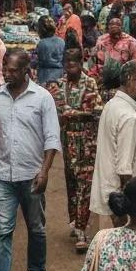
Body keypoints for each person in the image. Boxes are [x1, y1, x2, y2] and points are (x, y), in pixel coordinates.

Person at [0, 49, 61, 271]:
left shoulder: (42, 98)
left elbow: (51, 139)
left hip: (31, 174)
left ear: (27, 70)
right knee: (3, 231)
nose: (7, 73)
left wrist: (45, 171)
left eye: (13, 70)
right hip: (2, 175)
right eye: (6, 68)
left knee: (36, 228)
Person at [50, 48, 103, 253]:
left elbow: (96, 110)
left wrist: (73, 114)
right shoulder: (60, 85)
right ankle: (74, 221)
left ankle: (82, 229)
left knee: (85, 184)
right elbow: (57, 108)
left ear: (81, 64)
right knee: (71, 182)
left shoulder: (90, 82)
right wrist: (71, 114)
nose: (70, 67)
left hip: (86, 141)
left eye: (74, 64)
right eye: (67, 64)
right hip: (67, 140)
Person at [91, 60, 136, 229]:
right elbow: (124, 169)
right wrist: (125, 209)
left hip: (108, 194)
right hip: (118, 202)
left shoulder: (111, 105)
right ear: (128, 78)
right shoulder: (128, 116)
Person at [34, 15, 66, 86]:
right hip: (59, 74)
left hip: (45, 76)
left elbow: (37, 61)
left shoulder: (42, 43)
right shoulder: (61, 41)